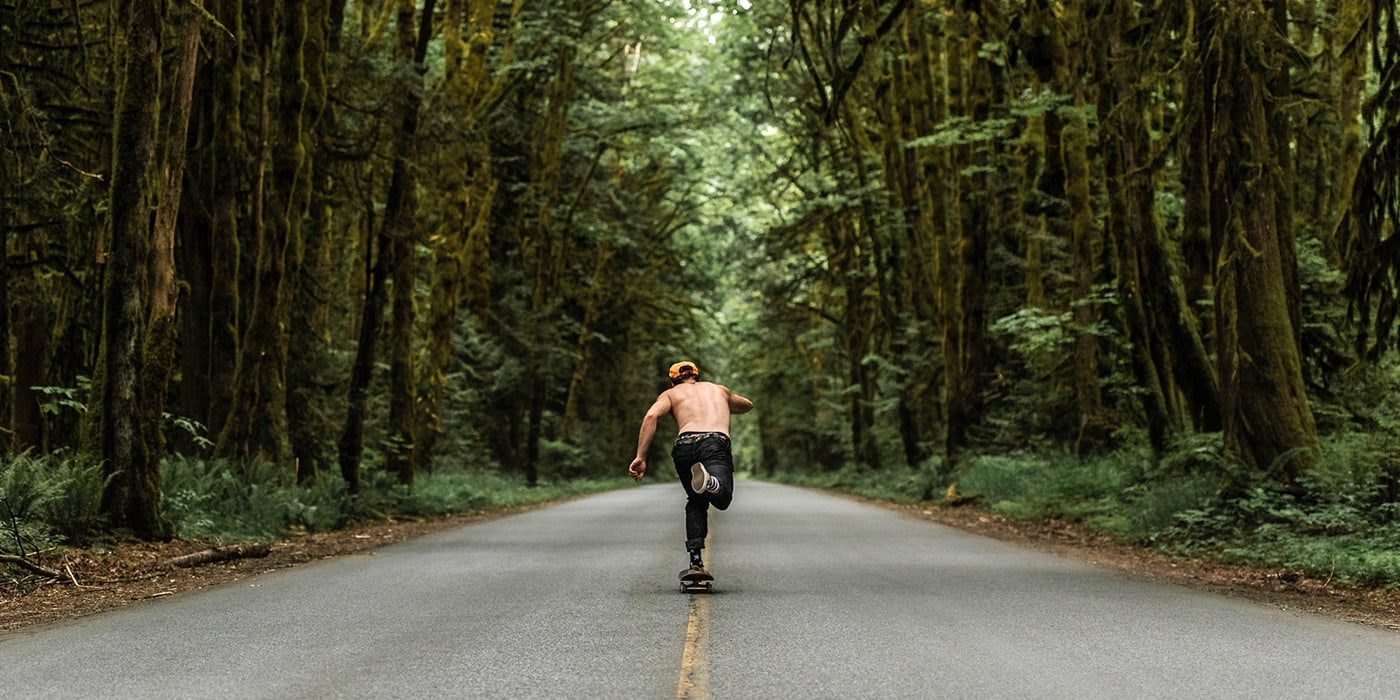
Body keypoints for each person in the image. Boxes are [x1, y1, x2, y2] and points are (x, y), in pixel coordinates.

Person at [628, 360, 754, 578]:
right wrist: (726, 401)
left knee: (696, 501)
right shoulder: (719, 390)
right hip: (715, 442)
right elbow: (747, 405)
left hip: (684, 445)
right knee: (722, 499)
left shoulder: (671, 394)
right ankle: (712, 483)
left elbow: (651, 416)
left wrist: (641, 457)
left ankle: (696, 563)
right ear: (696, 375)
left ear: (672, 381)